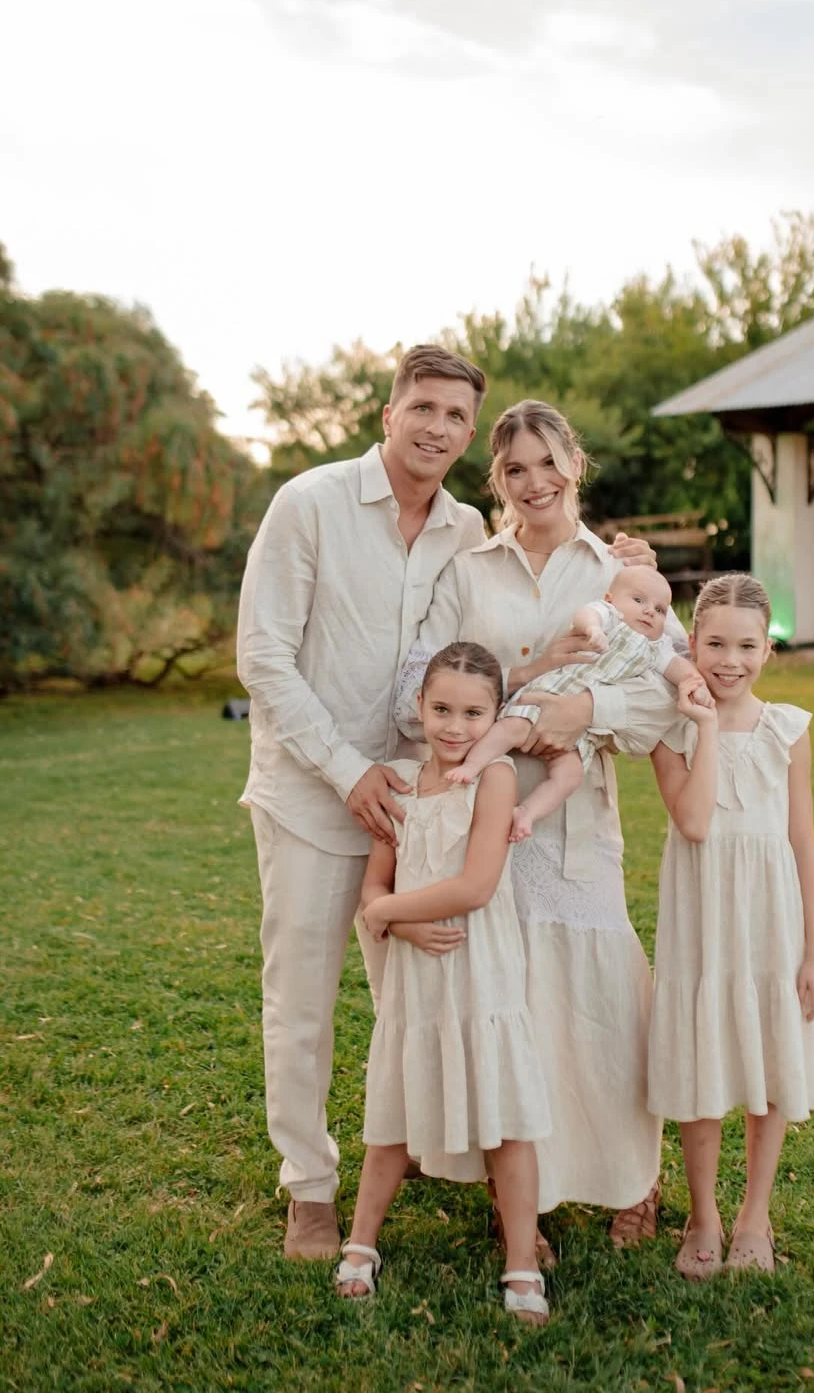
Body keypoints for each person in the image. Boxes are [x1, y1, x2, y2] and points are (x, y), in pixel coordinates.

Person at [236, 349, 652, 1261]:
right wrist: (349, 771)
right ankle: (309, 1188)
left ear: (471, 434)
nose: (437, 427)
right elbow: (261, 658)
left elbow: (500, 635)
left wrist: (626, 574)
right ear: (389, 412)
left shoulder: (465, 529)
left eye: (456, 416)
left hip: (428, 802)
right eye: (422, 407)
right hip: (318, 792)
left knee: (424, 990)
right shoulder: (308, 505)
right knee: (302, 999)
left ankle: (430, 1143)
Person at [394, 399, 682, 1254]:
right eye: (515, 469)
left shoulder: (615, 570)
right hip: (480, 819)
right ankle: (519, 1193)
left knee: (602, 999)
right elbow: (422, 683)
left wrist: (586, 706)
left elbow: (664, 691)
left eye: (548, 462)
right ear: (499, 479)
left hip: (575, 820)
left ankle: (638, 1175)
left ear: (575, 463)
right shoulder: (469, 570)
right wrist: (518, 687)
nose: (534, 482)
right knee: (506, 1001)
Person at [337, 642, 551, 1325]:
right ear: (420, 709)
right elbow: (374, 881)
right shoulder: (398, 783)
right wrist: (393, 922)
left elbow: (476, 885)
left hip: (481, 970)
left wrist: (386, 913)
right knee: (394, 1113)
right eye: (441, 710)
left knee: (507, 1118)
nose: (455, 728)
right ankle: (361, 1245)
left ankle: (522, 1264)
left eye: (472, 713)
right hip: (418, 979)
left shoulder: (495, 780)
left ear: (496, 716)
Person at [648, 573, 814, 1280]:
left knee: (767, 1053)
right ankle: (704, 1214)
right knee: (703, 1054)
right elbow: (693, 824)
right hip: (701, 915)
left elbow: (802, 840)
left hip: (769, 917)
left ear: (768, 652)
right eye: (716, 643)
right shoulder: (667, 730)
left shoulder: (788, 728)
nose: (730, 660)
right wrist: (698, 724)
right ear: (691, 642)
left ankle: (755, 1214)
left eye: (747, 646)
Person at [443, 566, 708, 841]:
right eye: (639, 600)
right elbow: (586, 614)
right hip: (549, 695)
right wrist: (593, 628)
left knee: (569, 776)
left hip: (581, 734)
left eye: (660, 609)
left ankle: (527, 812)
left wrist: (695, 686)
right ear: (610, 599)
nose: (649, 611)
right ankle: (472, 766)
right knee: (511, 728)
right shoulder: (609, 618)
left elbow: (679, 669)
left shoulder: (657, 648)